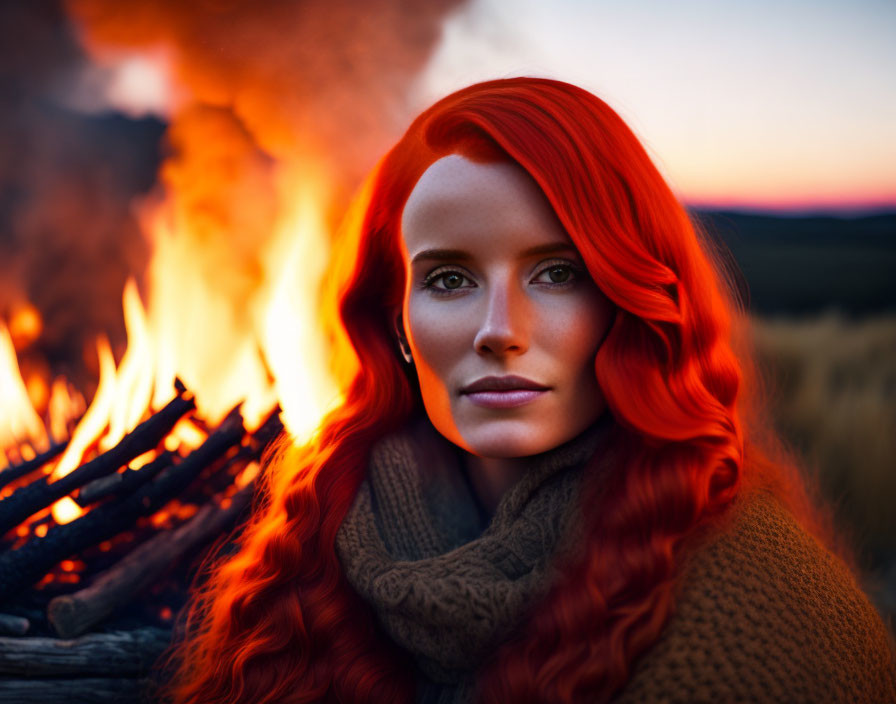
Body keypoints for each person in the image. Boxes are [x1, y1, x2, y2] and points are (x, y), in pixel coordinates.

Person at [163, 78, 896, 703]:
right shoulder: (305, 560)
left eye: (557, 273)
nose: (500, 330)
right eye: (449, 280)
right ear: (395, 325)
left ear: (632, 304)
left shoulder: (761, 623)